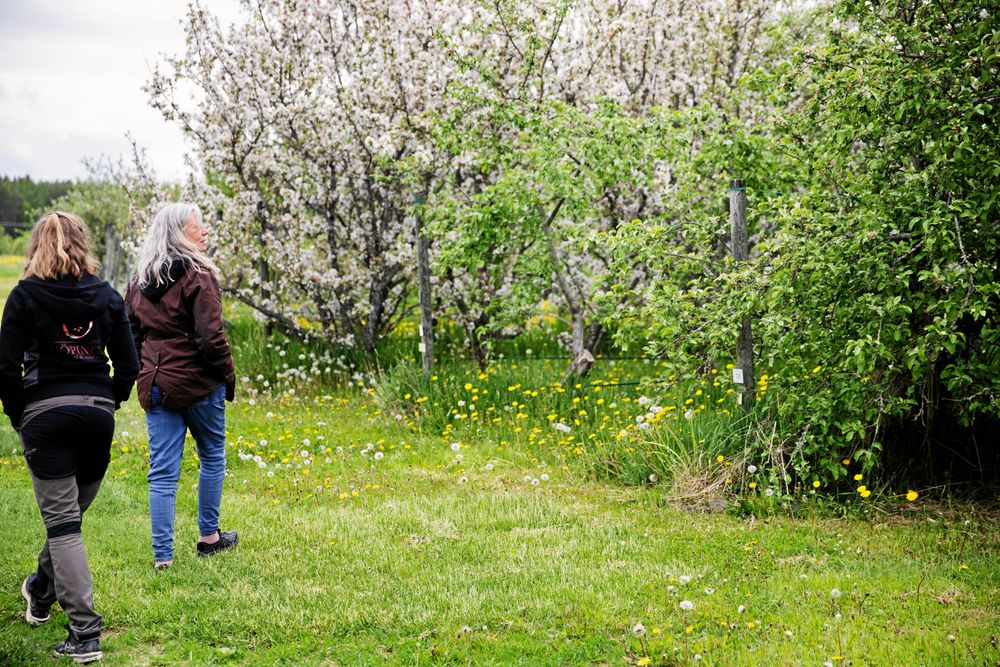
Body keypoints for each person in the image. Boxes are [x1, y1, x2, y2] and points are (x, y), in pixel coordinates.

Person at [0, 211, 139, 664]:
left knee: (63, 525)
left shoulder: (24, 296)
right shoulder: (106, 296)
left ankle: (85, 633)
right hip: (96, 416)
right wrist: (110, 400)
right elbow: (130, 365)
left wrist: (21, 415)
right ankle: (41, 591)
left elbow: (6, 369)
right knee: (68, 521)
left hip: (47, 415)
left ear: (36, 245)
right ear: (83, 243)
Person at [125, 203, 237, 571]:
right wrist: (228, 374)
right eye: (197, 226)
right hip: (198, 383)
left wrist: (147, 369)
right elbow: (210, 337)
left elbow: (132, 334)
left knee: (162, 472)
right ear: (177, 233)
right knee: (213, 456)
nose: (205, 231)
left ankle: (163, 557)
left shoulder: (139, 280)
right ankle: (209, 537)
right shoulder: (199, 275)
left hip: (157, 383)